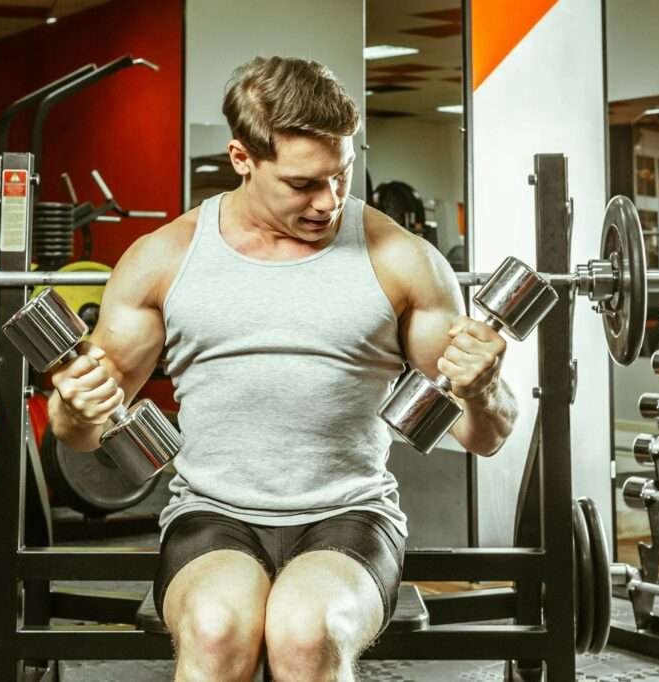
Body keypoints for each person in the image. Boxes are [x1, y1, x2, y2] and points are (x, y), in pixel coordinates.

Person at [48, 56, 517, 682]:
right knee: (215, 632)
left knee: (305, 632)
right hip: (212, 515)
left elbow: (484, 437)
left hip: (350, 517)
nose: (329, 202)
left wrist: (485, 391)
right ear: (243, 159)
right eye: (303, 185)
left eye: (343, 176)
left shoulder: (401, 259)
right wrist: (70, 408)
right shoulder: (164, 258)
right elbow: (80, 434)